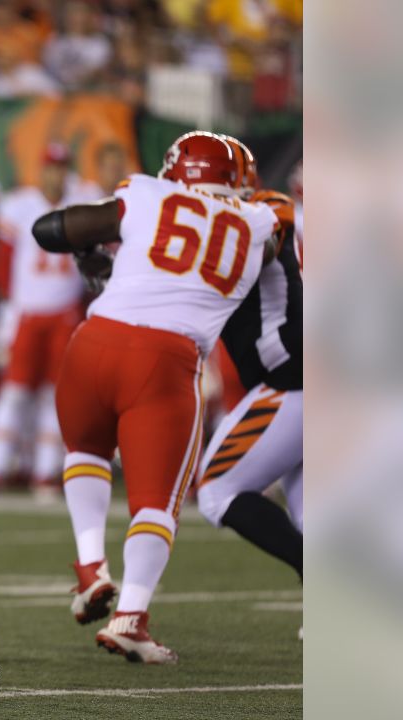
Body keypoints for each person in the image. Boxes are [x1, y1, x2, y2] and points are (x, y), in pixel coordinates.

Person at [33, 131, 280, 663]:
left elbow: (50, 229)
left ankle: (89, 565)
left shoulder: (147, 194)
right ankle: (130, 617)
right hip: (166, 358)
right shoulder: (260, 223)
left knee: (86, 454)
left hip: (94, 340)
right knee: (156, 501)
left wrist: (98, 256)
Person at [196, 140, 303, 584]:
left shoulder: (266, 209)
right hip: (306, 375)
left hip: (294, 380)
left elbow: (249, 247)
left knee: (217, 489)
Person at [0, 144, 102, 500]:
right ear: (41, 169)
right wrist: (4, 310)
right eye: (51, 167)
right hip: (27, 314)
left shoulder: (85, 199)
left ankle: (46, 473)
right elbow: (3, 263)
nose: (56, 174)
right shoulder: (19, 205)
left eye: (62, 167)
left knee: (55, 396)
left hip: (65, 315)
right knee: (15, 392)